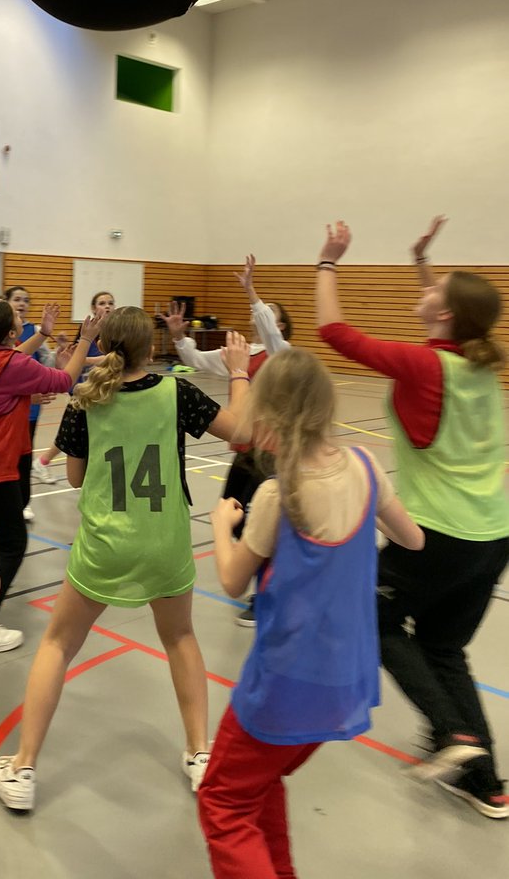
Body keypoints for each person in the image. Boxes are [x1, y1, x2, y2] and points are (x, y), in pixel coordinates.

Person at [0, 309, 253, 814]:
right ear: (150, 350)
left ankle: (23, 767)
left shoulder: (86, 399)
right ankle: (201, 755)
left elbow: (73, 478)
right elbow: (240, 430)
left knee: (58, 643)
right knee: (180, 638)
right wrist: (239, 371)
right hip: (165, 541)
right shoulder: (176, 392)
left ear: (106, 347)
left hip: (105, 545)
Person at [199, 348, 424, 878]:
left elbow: (233, 580)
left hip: (282, 689)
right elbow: (411, 538)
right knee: (258, 787)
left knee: (224, 802)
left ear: (270, 414)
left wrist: (220, 525)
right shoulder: (367, 467)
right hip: (344, 684)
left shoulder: (279, 495)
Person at [317, 218, 509, 819]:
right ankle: (487, 783)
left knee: (371, 619)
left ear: (446, 315)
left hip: (437, 534)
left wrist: (328, 261)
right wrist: (423, 261)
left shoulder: (424, 367)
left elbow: (333, 330)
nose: (421, 292)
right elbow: (451, 317)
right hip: (493, 536)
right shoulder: (477, 366)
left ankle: (453, 734)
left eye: (432, 289)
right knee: (443, 647)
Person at [0, 297, 101, 654]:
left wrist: (41, 341)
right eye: (17, 316)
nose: (21, 315)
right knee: (12, 544)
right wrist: (86, 339)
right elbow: (63, 380)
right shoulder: (9, 363)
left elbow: (13, 370)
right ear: (11, 332)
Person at [161, 257, 292, 627]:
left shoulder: (283, 355)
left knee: (264, 526)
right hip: (246, 455)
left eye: (268, 315)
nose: (259, 318)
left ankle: (264, 597)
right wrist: (177, 335)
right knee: (232, 521)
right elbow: (195, 359)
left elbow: (267, 327)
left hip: (274, 456)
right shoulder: (243, 355)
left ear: (278, 325)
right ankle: (261, 579)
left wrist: (251, 291)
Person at [33, 290, 115, 484]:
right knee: (72, 432)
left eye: (110, 303)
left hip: (104, 391)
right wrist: (68, 352)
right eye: (102, 303)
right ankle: (43, 462)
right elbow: (79, 357)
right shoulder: (88, 331)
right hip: (85, 391)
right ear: (94, 308)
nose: (107, 306)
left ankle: (43, 462)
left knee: (75, 433)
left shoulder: (114, 333)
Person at [4, 285, 58, 524]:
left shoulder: (35, 331)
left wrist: (63, 354)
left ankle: (23, 503)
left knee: (24, 457)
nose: (22, 304)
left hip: (30, 406)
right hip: (6, 407)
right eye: (17, 299)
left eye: (26, 300)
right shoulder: (1, 331)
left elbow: (48, 363)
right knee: (6, 456)